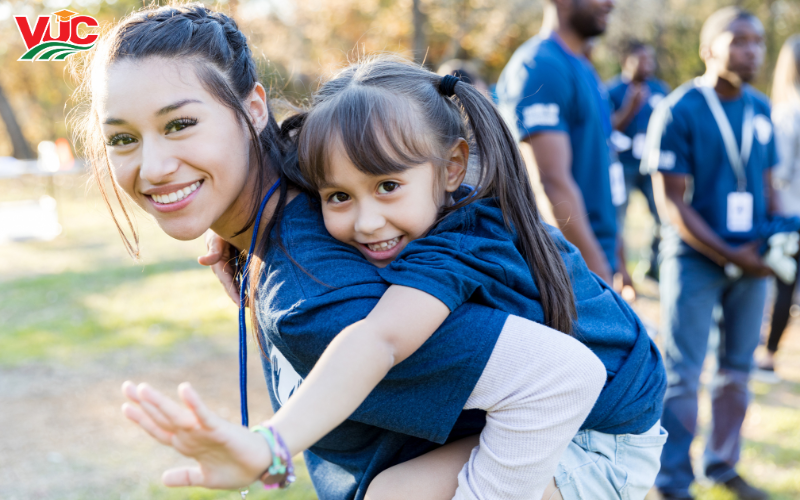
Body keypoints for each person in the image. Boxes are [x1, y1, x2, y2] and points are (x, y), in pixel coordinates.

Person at [72, 4, 663, 500]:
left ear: (253, 109)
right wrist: (224, 231)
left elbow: (556, 376)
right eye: (123, 138)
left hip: (597, 428)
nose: (151, 166)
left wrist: (269, 446)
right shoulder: (332, 165)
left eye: (179, 125)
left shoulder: (316, 297)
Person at [642, 7, 777, 500]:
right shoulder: (678, 109)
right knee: (682, 373)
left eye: (758, 41)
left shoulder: (761, 109)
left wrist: (776, 241)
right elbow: (670, 204)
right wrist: (730, 254)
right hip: (695, 258)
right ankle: (672, 480)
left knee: (737, 371)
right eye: (738, 40)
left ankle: (721, 465)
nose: (751, 50)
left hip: (751, 258)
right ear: (708, 48)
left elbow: (767, 186)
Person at [496, 0, 623, 286]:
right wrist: (597, 273)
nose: (610, 3)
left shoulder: (581, 65)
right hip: (568, 268)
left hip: (594, 254)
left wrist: (617, 256)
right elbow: (551, 182)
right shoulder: (541, 66)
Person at [607, 41, 670, 281]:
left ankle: (652, 265)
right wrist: (629, 108)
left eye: (650, 60)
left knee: (662, 214)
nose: (648, 65)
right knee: (619, 217)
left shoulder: (660, 90)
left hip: (652, 165)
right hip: (623, 165)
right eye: (641, 60)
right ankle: (618, 270)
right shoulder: (612, 91)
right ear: (626, 61)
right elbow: (608, 129)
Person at [756, 34, 800, 374]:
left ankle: (768, 357)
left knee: (782, 284)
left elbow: (779, 171)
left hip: (789, 213)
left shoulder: (787, 113)